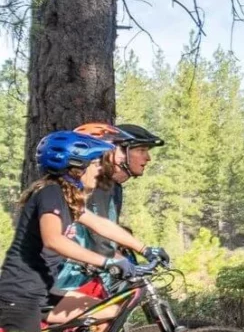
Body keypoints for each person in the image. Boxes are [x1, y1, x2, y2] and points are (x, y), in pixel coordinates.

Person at [0, 132, 159, 332]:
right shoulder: (50, 194)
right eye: (94, 164)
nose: (98, 170)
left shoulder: (67, 195)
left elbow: (101, 225)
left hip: (43, 292)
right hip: (20, 296)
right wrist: (107, 262)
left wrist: (144, 248)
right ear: (76, 166)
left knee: (108, 311)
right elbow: (53, 241)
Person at [54, 122, 166, 297]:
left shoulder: (112, 188)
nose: (148, 158)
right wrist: (129, 262)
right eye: (142, 150)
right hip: (67, 278)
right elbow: (99, 240)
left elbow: (104, 230)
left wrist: (141, 249)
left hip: (83, 272)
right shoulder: (95, 188)